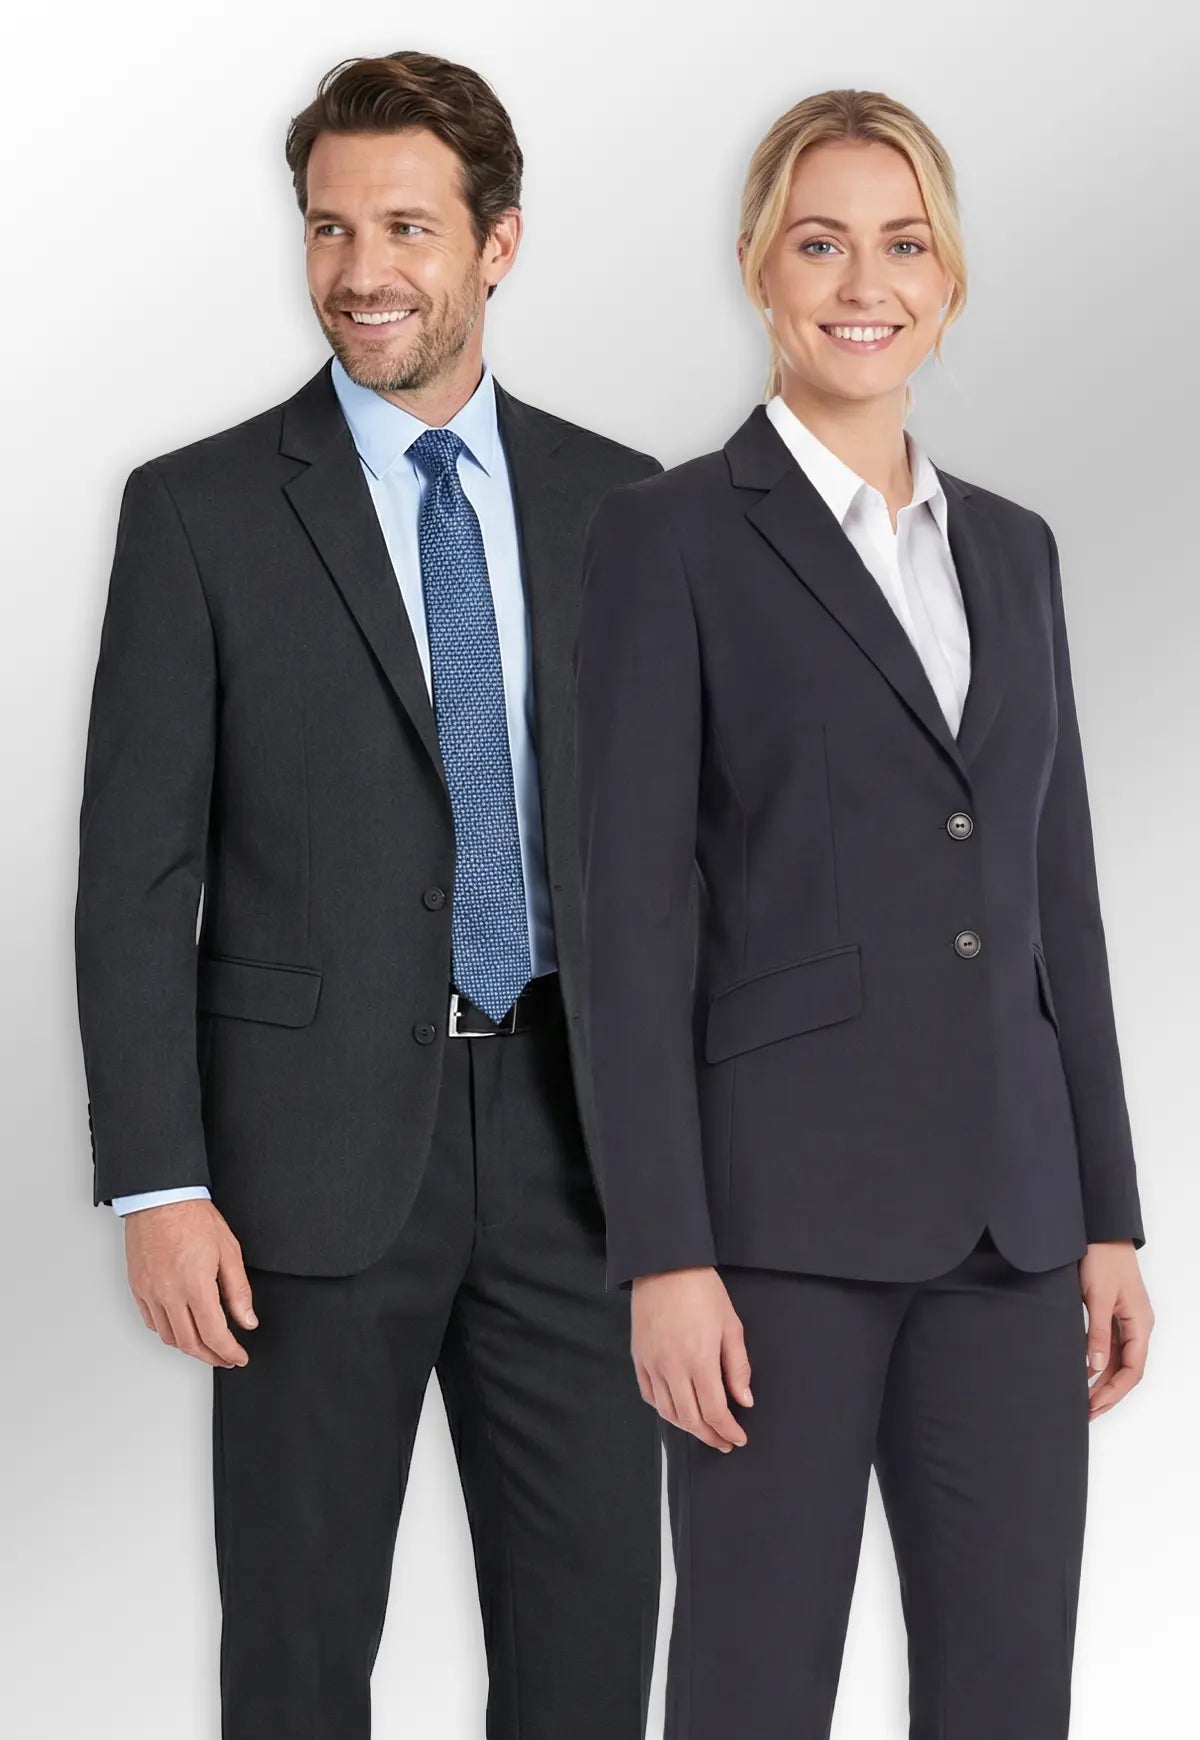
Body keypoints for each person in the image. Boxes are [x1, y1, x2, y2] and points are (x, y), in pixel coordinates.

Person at [75, 49, 662, 1740]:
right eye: (329, 229)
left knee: (589, 1656)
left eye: (405, 225)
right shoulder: (195, 513)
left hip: (580, 1163)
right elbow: (133, 874)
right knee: (299, 1655)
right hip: (299, 1180)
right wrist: (158, 1187)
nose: (360, 272)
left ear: (500, 243)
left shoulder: (628, 506)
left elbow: (689, 862)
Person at [575, 87, 1154, 1739]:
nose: (863, 282)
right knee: (753, 1695)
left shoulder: (1019, 553)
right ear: (761, 271)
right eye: (820, 243)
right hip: (775, 1243)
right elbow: (626, 924)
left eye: (903, 246)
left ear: (950, 282)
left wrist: (1108, 1214)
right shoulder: (668, 538)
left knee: (1006, 1700)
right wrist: (663, 1253)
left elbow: (1064, 906)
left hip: (1013, 1231)